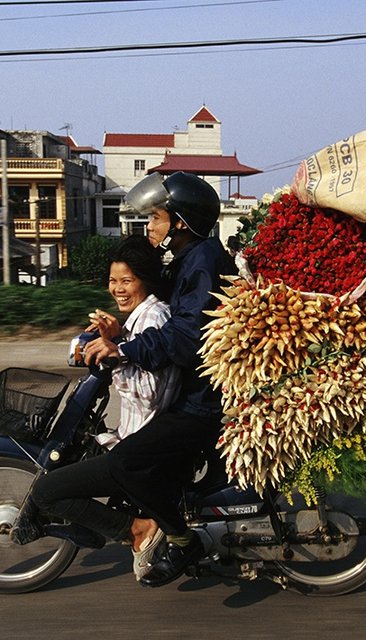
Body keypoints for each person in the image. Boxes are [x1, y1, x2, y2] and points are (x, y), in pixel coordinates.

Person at [82, 171, 236, 588]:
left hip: (201, 400)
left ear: (180, 223)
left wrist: (126, 350)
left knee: (128, 460)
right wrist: (118, 333)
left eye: (157, 218)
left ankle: (181, 541)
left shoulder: (202, 261)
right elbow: (156, 315)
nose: (150, 226)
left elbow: (184, 337)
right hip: (192, 391)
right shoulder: (188, 261)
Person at [10, 235, 181, 580]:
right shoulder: (138, 317)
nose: (117, 289)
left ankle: (139, 529)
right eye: (113, 281)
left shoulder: (154, 318)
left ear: (144, 279)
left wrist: (115, 351)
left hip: (142, 448)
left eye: (127, 281)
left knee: (47, 491)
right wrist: (113, 340)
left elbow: (150, 392)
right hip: (135, 438)